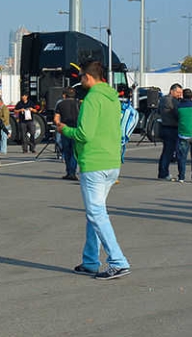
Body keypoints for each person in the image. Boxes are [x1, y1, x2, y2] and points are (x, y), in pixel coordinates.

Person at [57, 62, 130, 280]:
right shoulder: (112, 98)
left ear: (88, 77)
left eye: (81, 77)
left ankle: (118, 261)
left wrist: (64, 130)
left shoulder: (92, 99)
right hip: (111, 161)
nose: (80, 81)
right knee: (95, 213)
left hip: (94, 162)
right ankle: (90, 261)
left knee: (96, 213)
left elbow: (84, 134)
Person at [175, 88, 192, 183]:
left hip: (182, 134)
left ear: (183, 95)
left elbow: (176, 117)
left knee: (182, 157)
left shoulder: (179, 106)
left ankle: (181, 177)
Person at [157, 84, 182, 179]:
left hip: (164, 127)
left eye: (181, 93)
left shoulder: (162, 99)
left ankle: (163, 172)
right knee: (168, 152)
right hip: (171, 128)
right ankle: (163, 173)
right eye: (178, 92)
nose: (180, 95)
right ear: (172, 91)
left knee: (166, 151)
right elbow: (177, 113)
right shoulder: (172, 101)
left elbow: (158, 111)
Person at [54, 87, 79, 180]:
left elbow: (56, 118)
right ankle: (73, 172)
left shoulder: (60, 104)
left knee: (66, 151)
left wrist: (59, 125)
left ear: (64, 95)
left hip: (65, 129)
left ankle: (69, 172)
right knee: (74, 152)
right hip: (76, 129)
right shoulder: (79, 103)